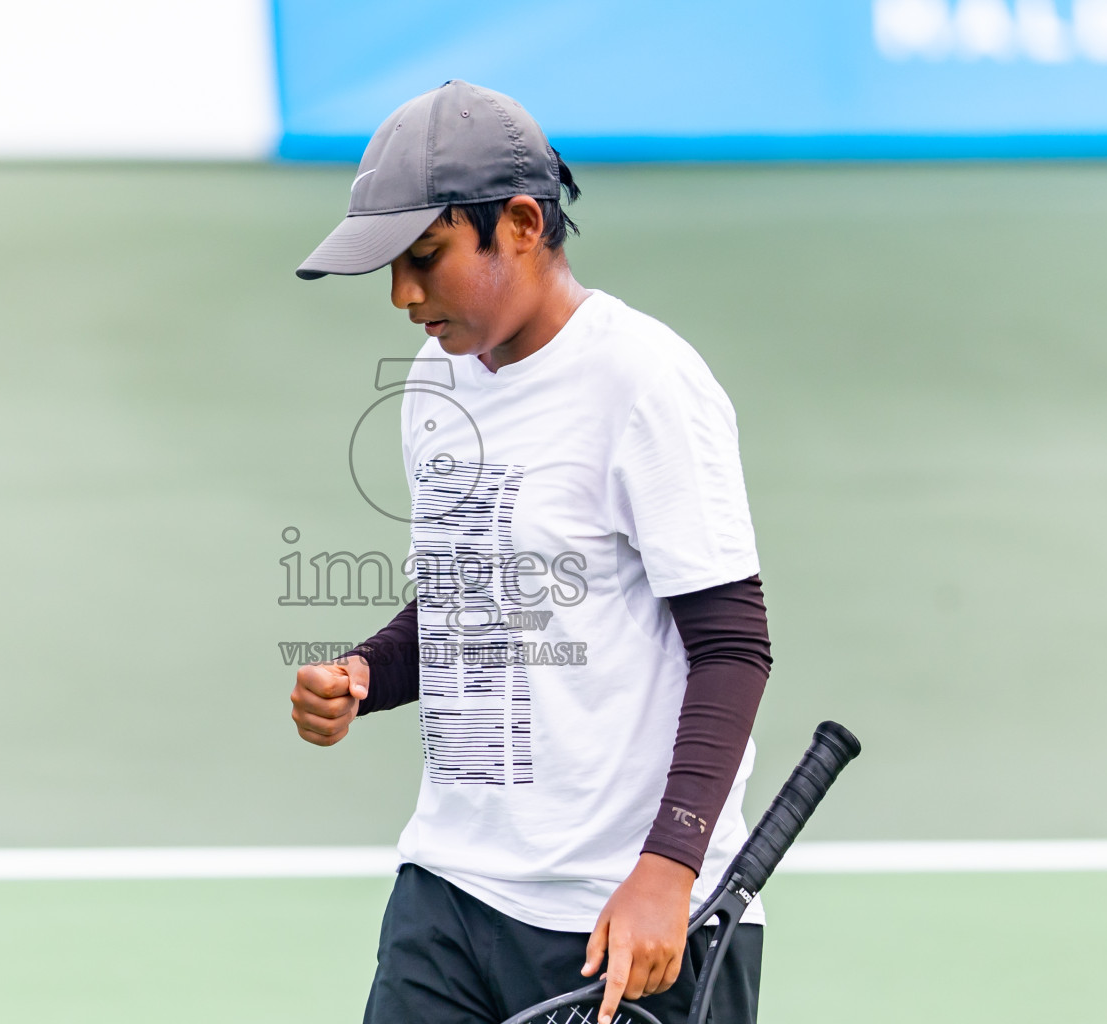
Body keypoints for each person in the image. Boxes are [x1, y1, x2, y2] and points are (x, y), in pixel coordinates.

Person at [288, 80, 772, 1024]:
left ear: (518, 223)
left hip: (619, 922)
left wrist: (667, 872)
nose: (401, 296)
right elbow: (477, 599)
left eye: (424, 258)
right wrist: (365, 673)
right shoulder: (436, 381)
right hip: (450, 892)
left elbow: (732, 648)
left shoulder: (645, 381)